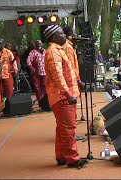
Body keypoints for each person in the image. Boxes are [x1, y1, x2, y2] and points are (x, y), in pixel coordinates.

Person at [43, 25, 86, 168]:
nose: (65, 36)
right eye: (62, 34)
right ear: (54, 37)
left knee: (62, 128)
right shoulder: (53, 52)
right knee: (68, 129)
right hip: (62, 97)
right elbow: (57, 76)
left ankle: (61, 156)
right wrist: (68, 94)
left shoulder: (58, 51)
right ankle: (72, 159)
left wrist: (77, 83)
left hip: (64, 96)